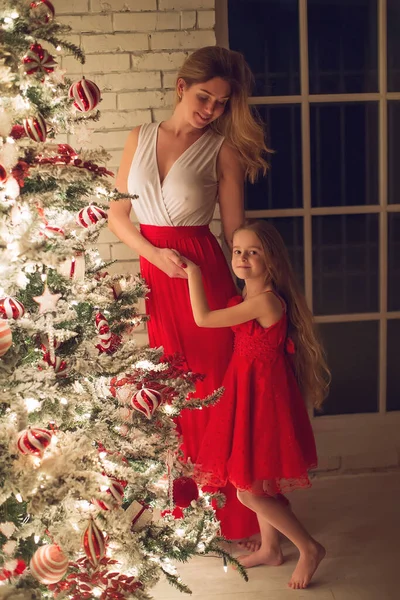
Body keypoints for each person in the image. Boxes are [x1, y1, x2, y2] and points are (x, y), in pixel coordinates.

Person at [108, 46, 269, 542]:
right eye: (205, 97)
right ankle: (190, 518)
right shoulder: (140, 136)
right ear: (181, 87)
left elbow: (234, 230)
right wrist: (154, 257)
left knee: (213, 392)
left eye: (221, 103)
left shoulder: (223, 149)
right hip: (159, 279)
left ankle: (235, 518)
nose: (211, 110)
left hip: (205, 279)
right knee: (173, 395)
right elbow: (118, 216)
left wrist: (258, 293)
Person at [182, 221, 330, 589]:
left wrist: (194, 273)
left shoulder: (264, 301)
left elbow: (203, 319)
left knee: (248, 490)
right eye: (237, 251)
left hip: (263, 400)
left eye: (253, 252)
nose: (242, 258)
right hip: (246, 392)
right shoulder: (246, 300)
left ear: (272, 260)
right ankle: (271, 548)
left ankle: (309, 547)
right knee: (258, 482)